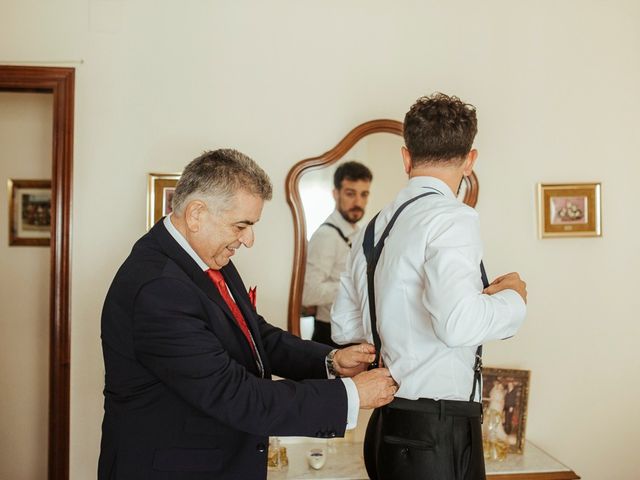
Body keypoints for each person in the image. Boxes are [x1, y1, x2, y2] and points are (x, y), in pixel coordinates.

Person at [98, 149, 397, 480]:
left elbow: (254, 333)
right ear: (196, 214)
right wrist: (351, 396)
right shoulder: (158, 288)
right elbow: (235, 394)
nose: (249, 240)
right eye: (241, 225)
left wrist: (330, 361)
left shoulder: (206, 259)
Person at [331, 93, 528, 480]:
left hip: (387, 428)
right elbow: (457, 325)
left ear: (406, 158)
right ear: (470, 161)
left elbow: (344, 328)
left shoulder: (374, 226)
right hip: (436, 434)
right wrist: (513, 299)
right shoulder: (453, 218)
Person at [302, 161, 372, 347]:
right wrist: (359, 287)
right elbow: (309, 293)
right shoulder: (326, 236)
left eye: (363, 194)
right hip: (329, 335)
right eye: (350, 194)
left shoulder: (358, 232)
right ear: (336, 193)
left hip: (352, 334)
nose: (358, 202)